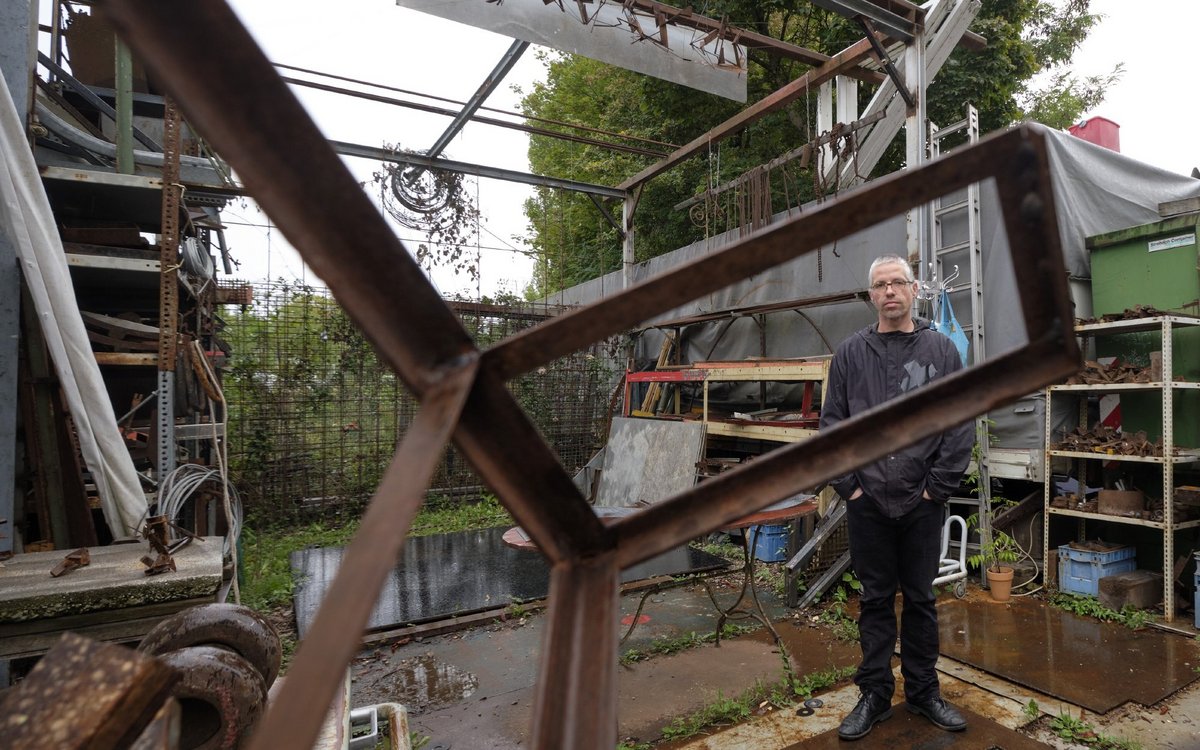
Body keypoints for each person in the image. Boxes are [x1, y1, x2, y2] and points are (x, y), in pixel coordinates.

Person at [819, 254, 973, 741]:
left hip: (922, 503)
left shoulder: (941, 351)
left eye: (898, 283)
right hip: (868, 503)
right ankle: (875, 695)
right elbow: (833, 428)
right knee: (875, 601)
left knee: (923, 600)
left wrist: (936, 489)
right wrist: (852, 488)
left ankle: (925, 692)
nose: (889, 291)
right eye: (880, 285)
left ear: (913, 291)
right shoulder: (850, 354)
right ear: (871, 296)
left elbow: (958, 423)